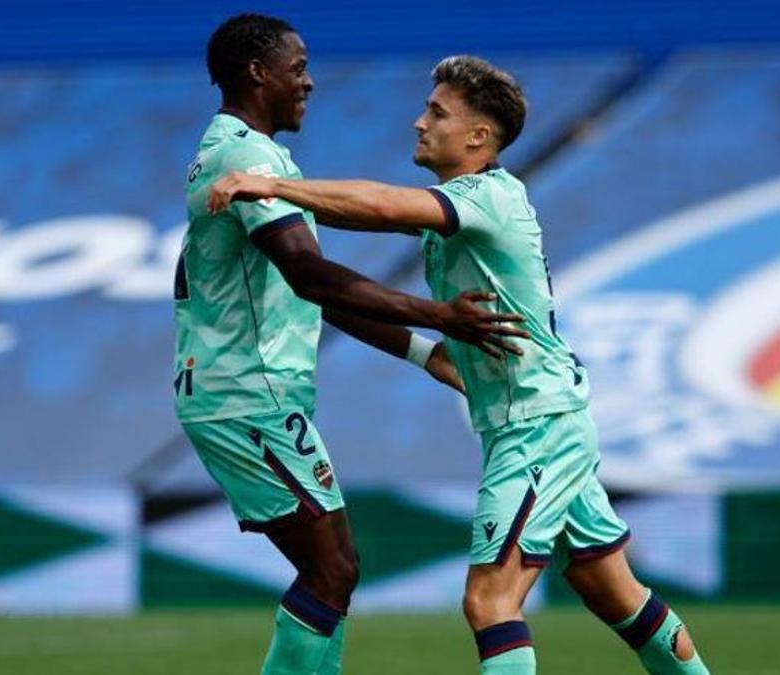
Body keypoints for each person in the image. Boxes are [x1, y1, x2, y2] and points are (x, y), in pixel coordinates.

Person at [209, 55, 710, 675]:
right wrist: (426, 352)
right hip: (543, 418)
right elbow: (340, 283)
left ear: (478, 136)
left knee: (489, 600)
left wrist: (276, 185)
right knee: (611, 589)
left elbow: (383, 206)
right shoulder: (465, 208)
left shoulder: (488, 197)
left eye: (437, 113)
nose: (420, 123)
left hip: (535, 426)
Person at [177, 17, 527, 674]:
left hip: (244, 390)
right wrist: (442, 315)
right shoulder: (245, 159)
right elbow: (313, 275)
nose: (308, 80)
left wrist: (426, 352)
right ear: (258, 72)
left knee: (332, 569)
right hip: (246, 391)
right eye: (297, 65)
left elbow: (315, 291)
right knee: (332, 567)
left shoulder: (246, 156)